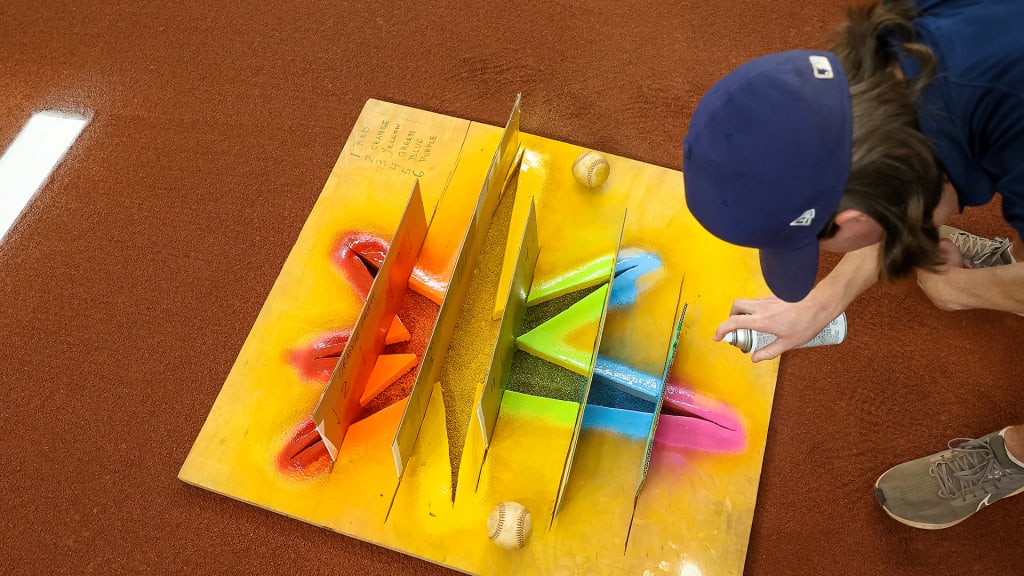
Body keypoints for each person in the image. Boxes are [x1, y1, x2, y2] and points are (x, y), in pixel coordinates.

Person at [681, 0, 1023, 529]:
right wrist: (823, 301)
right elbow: (876, 173)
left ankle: (1018, 454)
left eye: (818, 240)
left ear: (856, 215)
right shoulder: (897, 47)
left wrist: (964, 291)